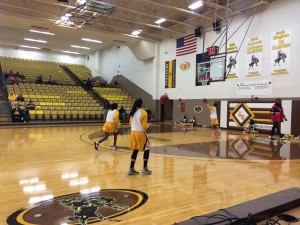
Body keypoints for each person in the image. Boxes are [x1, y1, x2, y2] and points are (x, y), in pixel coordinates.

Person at [128, 98, 151, 175]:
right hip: (140, 133)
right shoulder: (143, 112)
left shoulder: (132, 113)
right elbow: (144, 126)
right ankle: (144, 168)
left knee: (136, 149)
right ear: (141, 104)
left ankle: (131, 168)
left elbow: (130, 124)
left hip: (133, 133)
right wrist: (149, 125)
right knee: (147, 148)